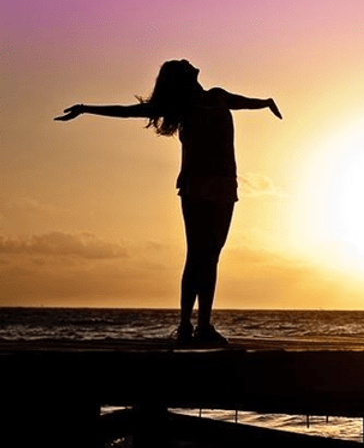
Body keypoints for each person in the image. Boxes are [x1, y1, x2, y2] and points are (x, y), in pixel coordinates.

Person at [55, 59, 282, 345]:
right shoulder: (181, 106)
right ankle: (187, 325)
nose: (189, 62)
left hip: (225, 186)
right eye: (182, 65)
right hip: (196, 185)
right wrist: (86, 109)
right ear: (181, 79)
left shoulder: (218, 96)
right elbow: (129, 112)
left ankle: (202, 326)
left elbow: (246, 102)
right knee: (197, 254)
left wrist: (266, 102)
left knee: (211, 256)